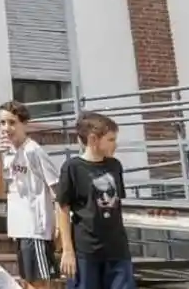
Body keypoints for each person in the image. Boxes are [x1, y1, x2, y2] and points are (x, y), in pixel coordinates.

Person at [56, 113, 132, 289]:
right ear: (93, 139)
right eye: (111, 139)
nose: (115, 144)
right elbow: (62, 208)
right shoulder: (72, 168)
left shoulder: (115, 166)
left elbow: (116, 204)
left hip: (117, 250)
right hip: (86, 251)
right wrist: (67, 251)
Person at [0, 101, 60, 289]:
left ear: (25, 124)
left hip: (36, 228)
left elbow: (55, 187)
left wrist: (60, 226)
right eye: (2, 123)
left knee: (38, 283)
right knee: (26, 282)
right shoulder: (7, 153)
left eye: (12, 122)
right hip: (19, 228)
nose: (6, 128)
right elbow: (0, 192)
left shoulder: (34, 151)